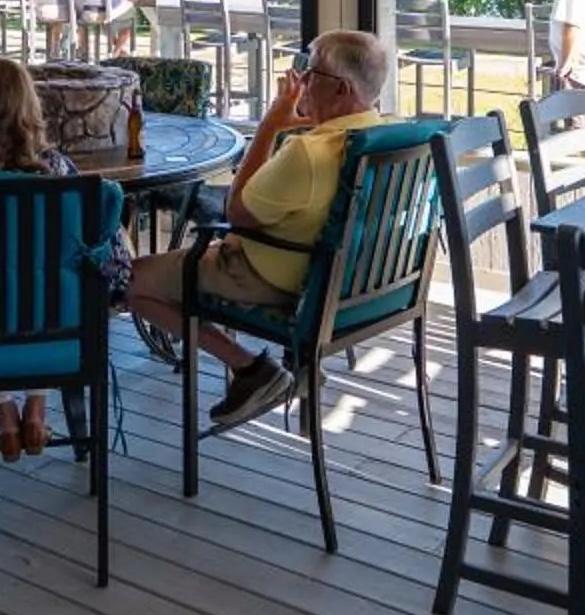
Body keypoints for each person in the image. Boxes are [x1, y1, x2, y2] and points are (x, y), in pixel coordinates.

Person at [128, 28, 393, 430]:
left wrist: (271, 124)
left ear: (340, 90)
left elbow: (237, 211)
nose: (300, 81)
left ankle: (251, 368)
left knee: (127, 280)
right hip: (351, 287)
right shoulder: (386, 138)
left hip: (271, 275)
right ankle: (279, 372)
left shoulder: (307, 152)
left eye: (310, 73)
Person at [0, 57, 128, 457]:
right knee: (45, 289)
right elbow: (116, 263)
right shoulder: (58, 175)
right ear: (29, 108)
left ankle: (4, 414)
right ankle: (36, 407)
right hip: (52, 332)